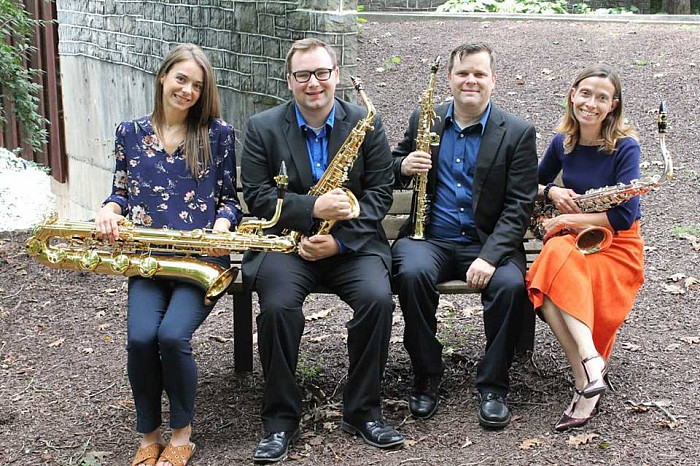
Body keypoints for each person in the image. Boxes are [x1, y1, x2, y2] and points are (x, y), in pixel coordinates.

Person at [240, 38, 403, 463]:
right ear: (289, 80)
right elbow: (257, 196)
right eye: (303, 75)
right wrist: (312, 206)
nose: (314, 83)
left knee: (377, 300)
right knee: (276, 308)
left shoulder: (367, 121)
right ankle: (279, 419)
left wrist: (341, 240)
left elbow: (381, 193)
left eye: (322, 73)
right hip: (287, 246)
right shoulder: (263, 126)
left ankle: (363, 409)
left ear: (335, 74)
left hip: (352, 244)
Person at [95, 43, 242, 466]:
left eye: (197, 85)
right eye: (181, 79)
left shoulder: (217, 134)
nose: (188, 90)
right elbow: (120, 191)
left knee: (172, 337)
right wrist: (109, 210)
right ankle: (148, 437)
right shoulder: (128, 132)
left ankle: (181, 436)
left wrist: (220, 227)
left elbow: (229, 201)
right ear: (163, 77)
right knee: (141, 339)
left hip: (201, 261)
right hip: (148, 259)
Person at [391, 43, 537, 428]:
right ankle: (426, 374)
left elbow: (519, 205)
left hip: (486, 242)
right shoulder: (425, 119)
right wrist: (403, 165)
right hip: (430, 239)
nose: (470, 80)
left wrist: (490, 256)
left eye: (479, 73)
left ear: (493, 81)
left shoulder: (517, 133)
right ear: (451, 79)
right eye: (462, 73)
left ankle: (493, 384)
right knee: (410, 273)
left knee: (508, 285)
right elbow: (388, 166)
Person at [525, 64, 644, 432]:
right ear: (572, 95)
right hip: (577, 242)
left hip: (617, 245)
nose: (591, 103)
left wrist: (565, 221)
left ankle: (586, 375)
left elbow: (625, 217)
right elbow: (529, 183)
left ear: (613, 106)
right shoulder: (564, 142)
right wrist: (550, 192)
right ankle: (589, 371)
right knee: (552, 267)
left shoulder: (626, 147)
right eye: (585, 93)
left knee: (548, 273)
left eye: (602, 98)